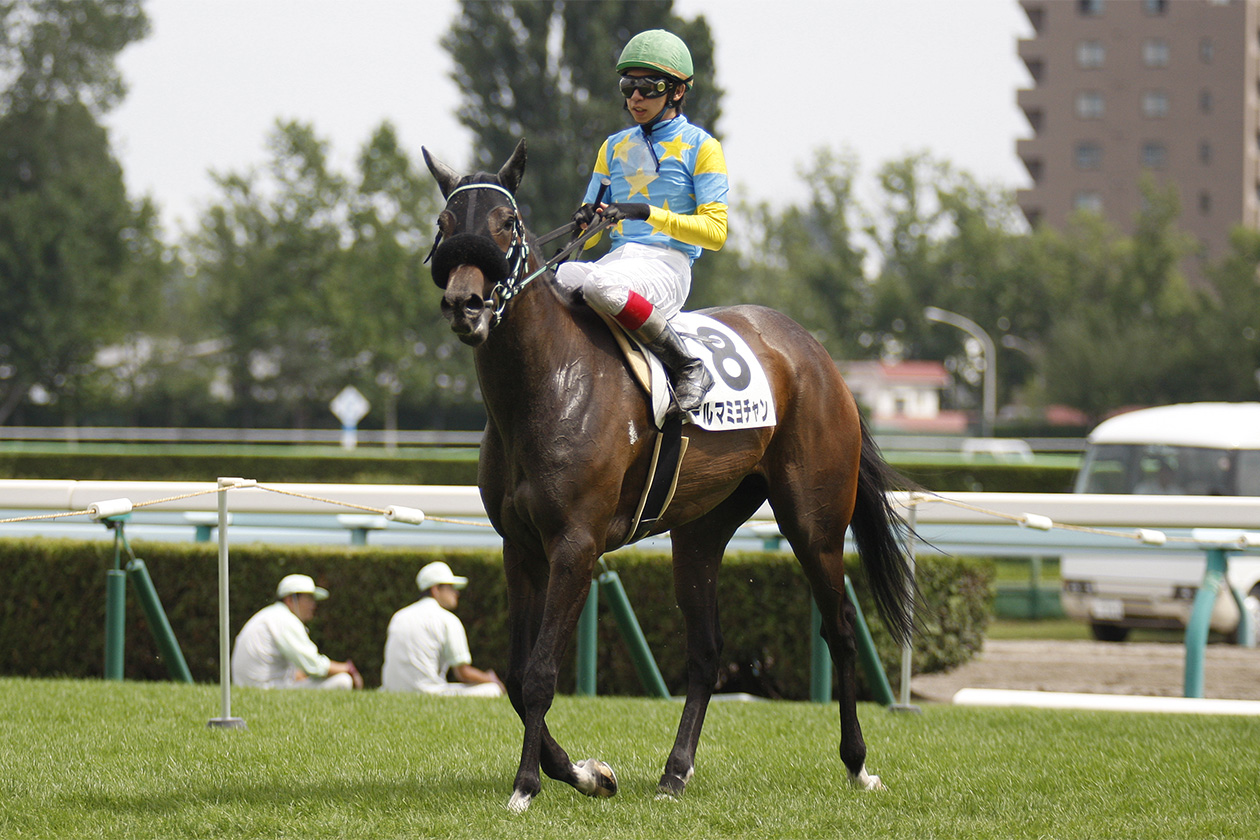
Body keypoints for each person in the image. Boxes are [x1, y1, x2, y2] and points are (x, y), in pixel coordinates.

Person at [557, 29, 729, 413]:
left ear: (677, 91)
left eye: (648, 87)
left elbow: (716, 233)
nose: (635, 97)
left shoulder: (703, 147)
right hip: (620, 261)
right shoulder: (613, 147)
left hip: (669, 265)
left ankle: (688, 366)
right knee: (560, 279)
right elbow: (588, 240)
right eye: (628, 86)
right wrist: (584, 223)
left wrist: (647, 212)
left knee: (599, 284)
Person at [380, 561, 505, 697]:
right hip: (427, 693)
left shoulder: (399, 616)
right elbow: (463, 673)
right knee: (492, 689)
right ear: (435, 589)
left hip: (390, 691)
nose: (456, 592)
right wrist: (490, 679)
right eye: (451, 587)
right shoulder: (448, 620)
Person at [230, 574, 363, 690]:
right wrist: (348, 668)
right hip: (265, 690)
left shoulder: (272, 615)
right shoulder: (285, 619)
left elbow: (300, 671)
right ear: (290, 600)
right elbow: (313, 665)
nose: (313, 605)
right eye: (309, 598)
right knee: (343, 681)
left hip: (256, 686)